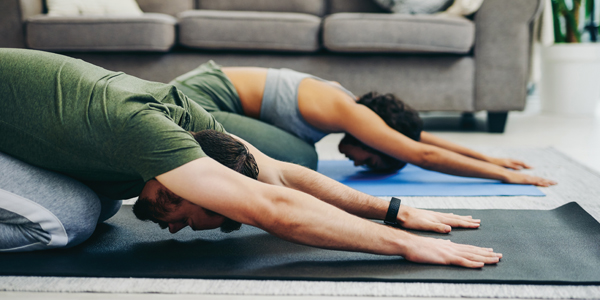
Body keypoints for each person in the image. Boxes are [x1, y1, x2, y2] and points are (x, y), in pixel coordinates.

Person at [0, 49, 500, 268]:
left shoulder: (192, 121)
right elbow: (271, 208)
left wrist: (392, 210)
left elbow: (279, 176)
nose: (174, 229)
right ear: (189, 186)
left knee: (107, 203)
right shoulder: (142, 130)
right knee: (74, 219)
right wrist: (402, 246)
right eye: (192, 216)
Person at [170, 61, 556, 187]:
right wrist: (505, 178)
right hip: (192, 102)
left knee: (295, 156)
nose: (358, 164)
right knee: (301, 159)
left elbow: (417, 137)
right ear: (375, 136)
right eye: (371, 160)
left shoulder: (353, 107)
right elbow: (419, 152)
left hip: (198, 96)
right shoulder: (347, 111)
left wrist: (491, 158)